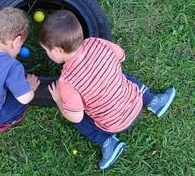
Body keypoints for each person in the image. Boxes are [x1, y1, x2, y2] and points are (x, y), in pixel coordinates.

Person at [38, 10, 176, 169]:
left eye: (46, 50)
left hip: (113, 125)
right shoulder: (95, 43)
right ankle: (153, 101)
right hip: (135, 103)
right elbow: (121, 56)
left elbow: (75, 117)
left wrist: (59, 100)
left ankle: (108, 143)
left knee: (79, 119)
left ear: (57, 51)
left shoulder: (67, 82)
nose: (47, 53)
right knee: (123, 76)